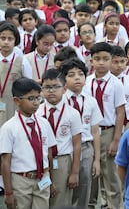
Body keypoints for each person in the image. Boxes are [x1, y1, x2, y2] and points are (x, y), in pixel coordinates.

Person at [0, 78, 56, 209]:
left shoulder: (44, 123)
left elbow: (49, 155)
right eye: (31, 99)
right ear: (16, 101)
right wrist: (8, 192)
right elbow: (5, 162)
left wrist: (51, 181)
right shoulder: (9, 128)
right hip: (21, 180)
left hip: (43, 177)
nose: (36, 103)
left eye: (38, 98)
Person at [84, 42, 126, 209]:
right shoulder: (86, 82)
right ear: (91, 61)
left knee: (111, 175)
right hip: (89, 132)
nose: (101, 63)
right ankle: (91, 204)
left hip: (108, 132)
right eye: (97, 59)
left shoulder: (116, 83)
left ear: (111, 61)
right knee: (90, 173)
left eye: (105, 59)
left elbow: (120, 112)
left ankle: (115, 205)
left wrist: (116, 140)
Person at [59, 58, 101, 208]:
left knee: (84, 187)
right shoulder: (60, 100)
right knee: (63, 188)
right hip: (65, 149)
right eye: (71, 75)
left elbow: (95, 132)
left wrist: (96, 159)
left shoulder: (91, 101)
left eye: (80, 74)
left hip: (86, 147)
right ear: (63, 79)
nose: (77, 77)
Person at [37, 68, 82, 207]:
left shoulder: (72, 113)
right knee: (42, 198)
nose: (51, 91)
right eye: (47, 87)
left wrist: (74, 172)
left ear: (64, 88)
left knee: (61, 200)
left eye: (56, 87)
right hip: (42, 161)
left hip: (62, 161)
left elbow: (77, 144)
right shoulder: (37, 112)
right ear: (41, 89)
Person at [0, 22, 32, 126]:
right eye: (3, 38)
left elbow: (28, 86)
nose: (6, 42)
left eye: (10, 39)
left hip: (14, 105)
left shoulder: (22, 61)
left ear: (15, 41)